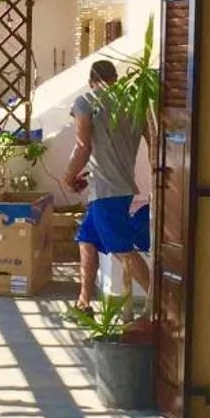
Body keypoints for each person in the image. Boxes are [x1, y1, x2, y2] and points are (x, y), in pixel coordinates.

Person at [63, 58, 151, 312]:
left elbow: (83, 146)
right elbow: (153, 142)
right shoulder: (135, 103)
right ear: (116, 79)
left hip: (106, 191)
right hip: (118, 187)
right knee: (87, 241)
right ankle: (84, 302)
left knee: (122, 249)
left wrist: (68, 178)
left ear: (91, 82)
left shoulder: (86, 102)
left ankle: (159, 303)